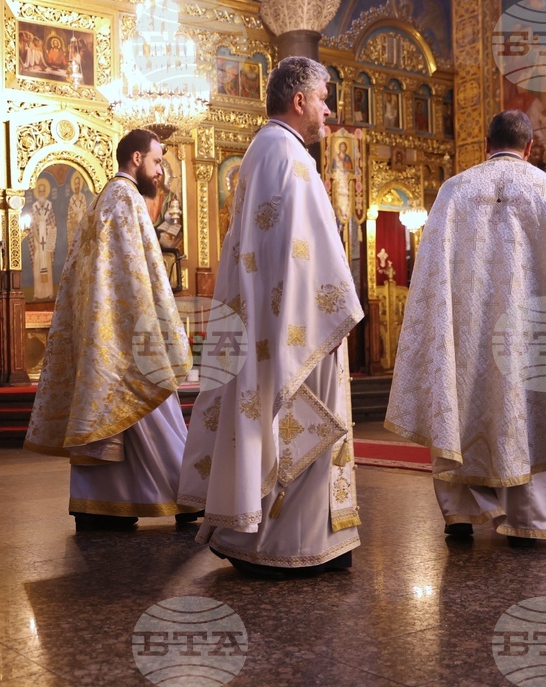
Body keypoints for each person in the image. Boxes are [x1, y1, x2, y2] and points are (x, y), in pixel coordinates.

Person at [385, 110, 546, 547]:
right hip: (530, 331)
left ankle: (460, 513)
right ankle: (531, 519)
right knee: (532, 412)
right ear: (529, 147)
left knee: (459, 406)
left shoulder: (455, 190)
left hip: (466, 332)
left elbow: (432, 277)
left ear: (485, 145)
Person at [177, 56, 365, 578]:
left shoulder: (264, 149)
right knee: (305, 424)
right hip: (300, 325)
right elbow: (307, 252)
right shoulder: (290, 155)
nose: (328, 110)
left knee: (279, 423)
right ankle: (286, 545)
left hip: (274, 321)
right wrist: (333, 316)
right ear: (299, 100)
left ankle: (275, 535)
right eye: (323, 98)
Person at [24, 129, 199, 531]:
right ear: (136, 158)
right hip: (126, 327)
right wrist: (155, 324)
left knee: (126, 417)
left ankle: (103, 502)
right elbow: (138, 272)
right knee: (150, 409)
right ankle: (186, 495)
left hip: (108, 327)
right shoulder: (125, 198)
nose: (160, 172)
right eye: (157, 162)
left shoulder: (107, 197)